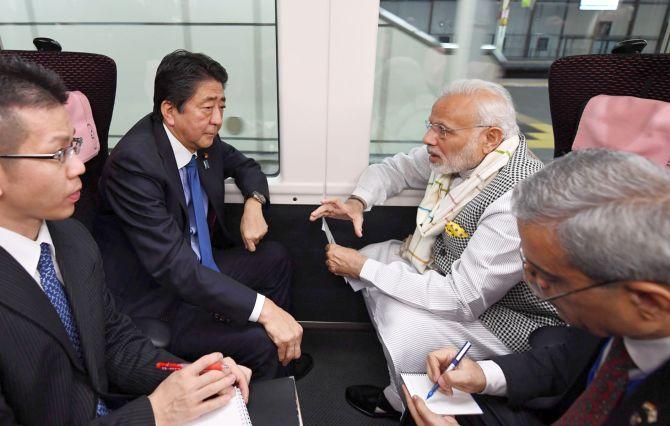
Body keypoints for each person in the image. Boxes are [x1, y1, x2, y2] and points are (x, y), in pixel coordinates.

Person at [0, 56, 251, 425]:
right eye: (57, 154)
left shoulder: (71, 239)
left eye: (75, 147)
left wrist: (194, 377)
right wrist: (155, 413)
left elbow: (114, 342)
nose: (79, 166)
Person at [310, 79, 563, 416]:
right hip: (449, 269)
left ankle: (403, 401)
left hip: (509, 316)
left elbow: (462, 299)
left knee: (399, 319)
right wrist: (359, 201)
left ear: (489, 138)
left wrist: (364, 269)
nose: (429, 139)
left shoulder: (516, 198)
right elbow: (393, 169)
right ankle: (412, 377)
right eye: (430, 126)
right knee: (374, 258)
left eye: (442, 130)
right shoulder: (463, 155)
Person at [403, 149, 670, 426]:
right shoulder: (617, 302)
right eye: (528, 267)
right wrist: (483, 374)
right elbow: (569, 360)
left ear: (649, 304)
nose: (533, 285)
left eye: (548, 281)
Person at [95, 50, 309, 380]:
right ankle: (259, 386)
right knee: (259, 340)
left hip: (198, 266)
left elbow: (247, 168)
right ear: (170, 110)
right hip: (160, 297)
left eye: (221, 106)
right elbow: (175, 268)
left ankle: (284, 358)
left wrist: (254, 202)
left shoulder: (201, 139)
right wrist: (265, 311)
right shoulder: (134, 165)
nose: (218, 118)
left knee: (275, 257)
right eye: (208, 108)